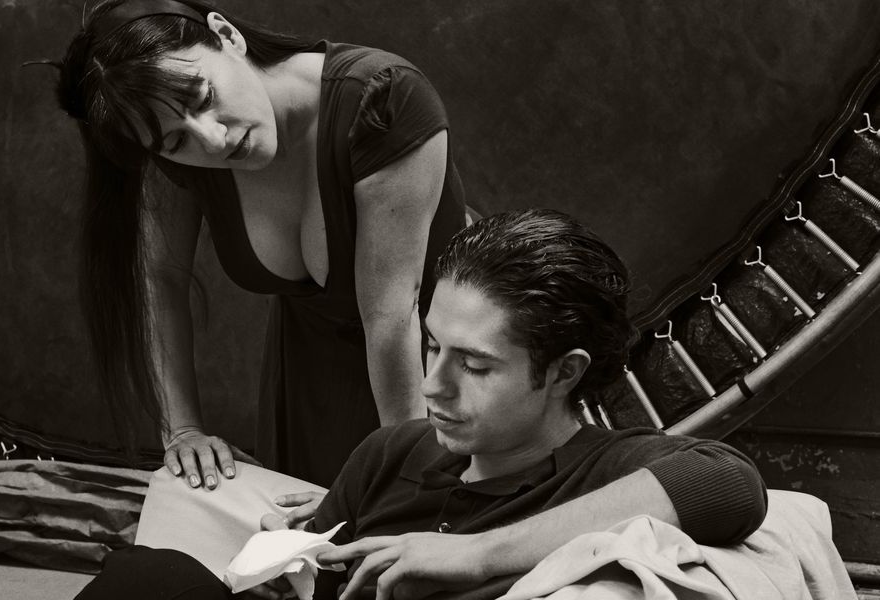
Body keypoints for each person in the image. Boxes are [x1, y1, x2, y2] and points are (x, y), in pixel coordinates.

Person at [76, 209, 767, 600]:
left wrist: (474, 555)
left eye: (474, 365)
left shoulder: (604, 471)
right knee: (149, 576)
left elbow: (725, 482)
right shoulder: (394, 453)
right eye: (431, 346)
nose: (433, 385)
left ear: (564, 372)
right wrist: (287, 553)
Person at [53, 0, 467, 488]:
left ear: (227, 36)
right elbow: (161, 277)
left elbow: (391, 317)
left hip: (439, 379)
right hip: (307, 389)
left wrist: (398, 481)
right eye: (176, 141)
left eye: (202, 97)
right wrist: (182, 431)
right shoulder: (174, 152)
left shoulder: (383, 99)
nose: (212, 140)